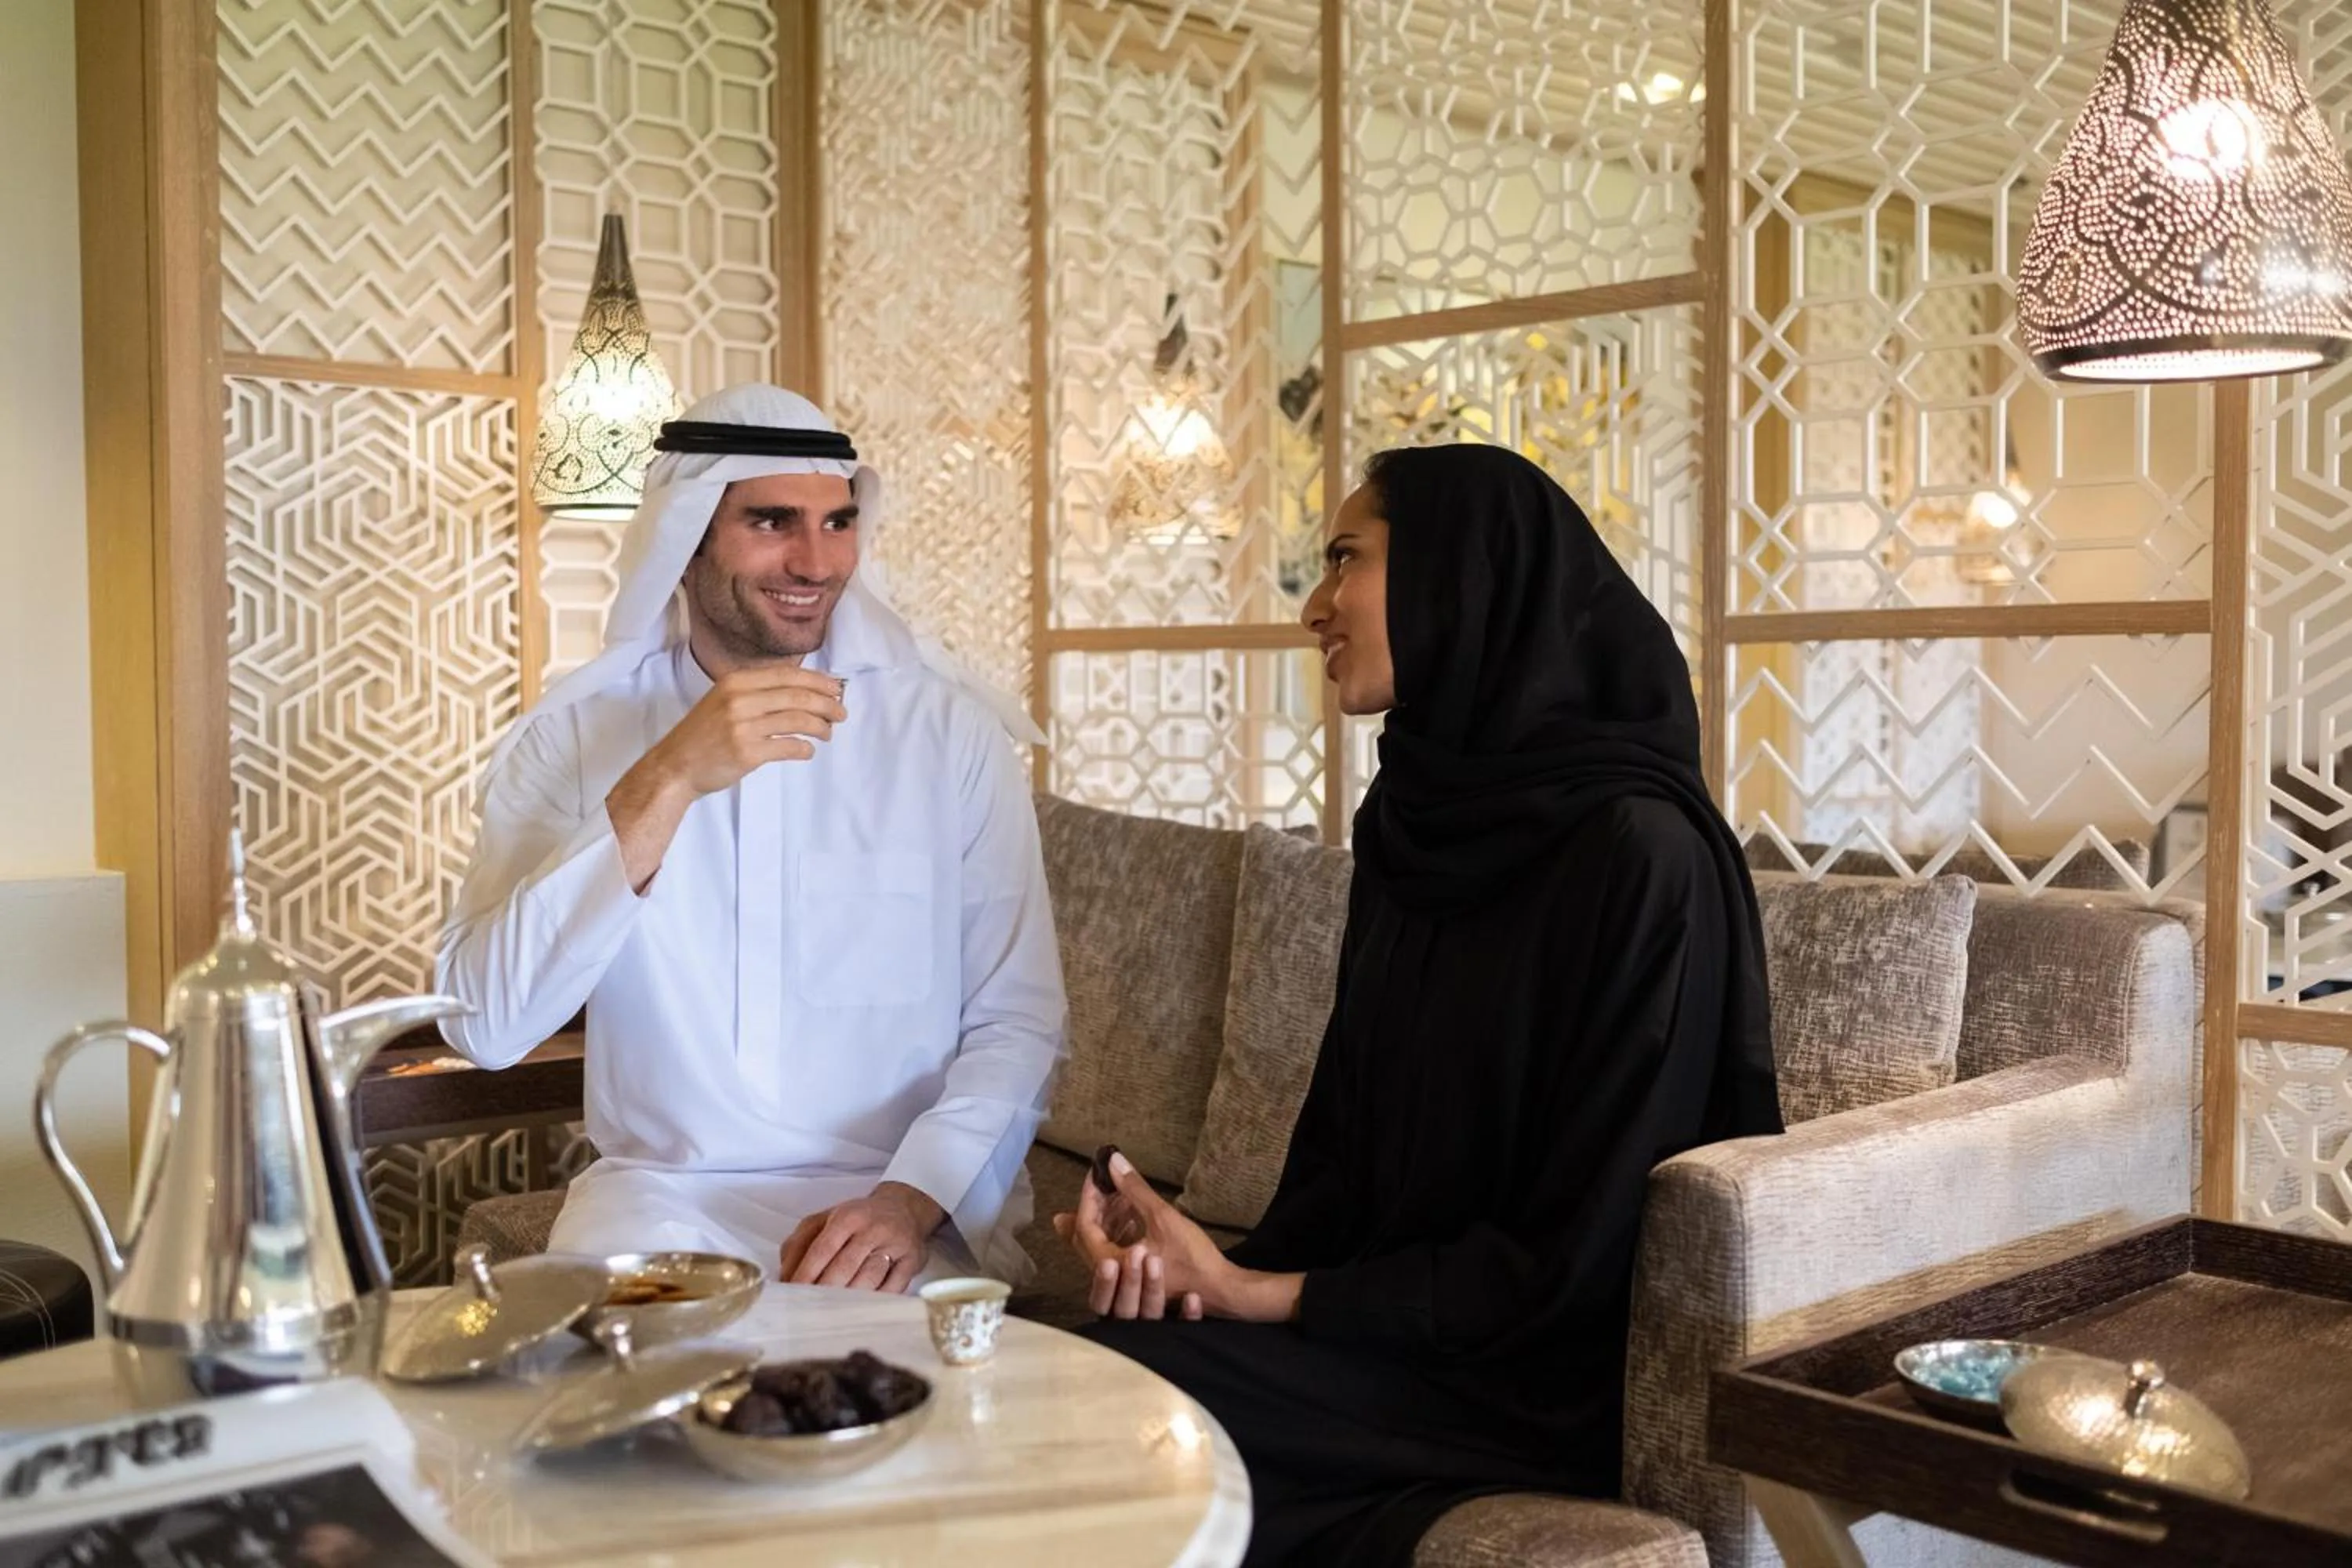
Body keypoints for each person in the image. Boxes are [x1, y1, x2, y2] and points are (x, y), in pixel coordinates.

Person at [1056, 444, 1782, 1564]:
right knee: (1034, 1359)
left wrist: (1253, 1298)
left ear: (1463, 573)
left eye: (1345, 558)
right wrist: (1195, 1266)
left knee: (1095, 1406)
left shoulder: (1644, 859)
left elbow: (1580, 1256)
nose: (1313, 608)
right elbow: (1348, 1154)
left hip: (1529, 1381)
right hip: (1386, 1340)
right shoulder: (1417, 819)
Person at [437, 383, 1065, 1290]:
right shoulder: (578, 735)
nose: (816, 560)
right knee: (636, 1412)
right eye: (772, 521)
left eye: (839, 522)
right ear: (685, 535)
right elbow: (484, 1022)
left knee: (885, 1409)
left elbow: (1019, 1016)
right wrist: (670, 774)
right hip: (656, 1201)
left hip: (891, 1208)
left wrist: (908, 1200)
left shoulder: (948, 734)